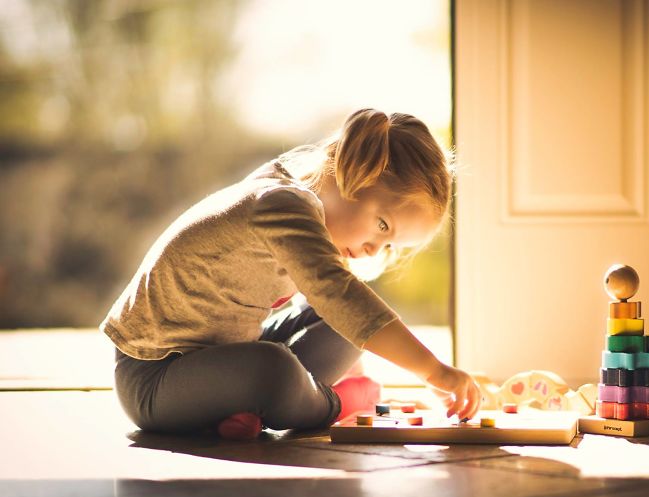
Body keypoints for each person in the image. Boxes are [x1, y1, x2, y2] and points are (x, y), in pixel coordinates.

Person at [101, 108, 481, 439]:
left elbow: (344, 313)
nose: (374, 250)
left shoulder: (295, 196)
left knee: (345, 327)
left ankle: (241, 410)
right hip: (155, 377)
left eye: (390, 245)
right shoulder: (281, 205)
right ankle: (333, 405)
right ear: (352, 172)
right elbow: (339, 296)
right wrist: (433, 371)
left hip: (223, 357)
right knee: (276, 367)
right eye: (382, 226)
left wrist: (351, 367)